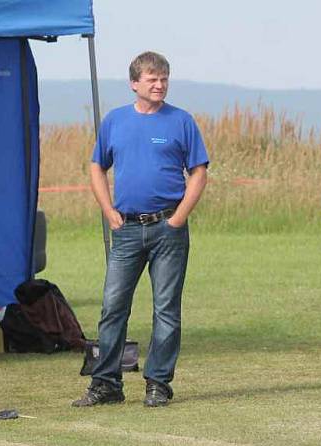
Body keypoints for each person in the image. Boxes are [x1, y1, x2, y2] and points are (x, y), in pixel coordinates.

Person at [73, 51, 208, 409]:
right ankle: (106, 384)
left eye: (163, 78)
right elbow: (96, 167)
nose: (159, 84)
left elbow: (199, 172)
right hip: (127, 230)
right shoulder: (115, 122)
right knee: (113, 306)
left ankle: (158, 384)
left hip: (168, 229)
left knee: (166, 309)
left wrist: (179, 216)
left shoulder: (182, 122)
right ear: (135, 83)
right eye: (152, 79)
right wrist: (108, 210)